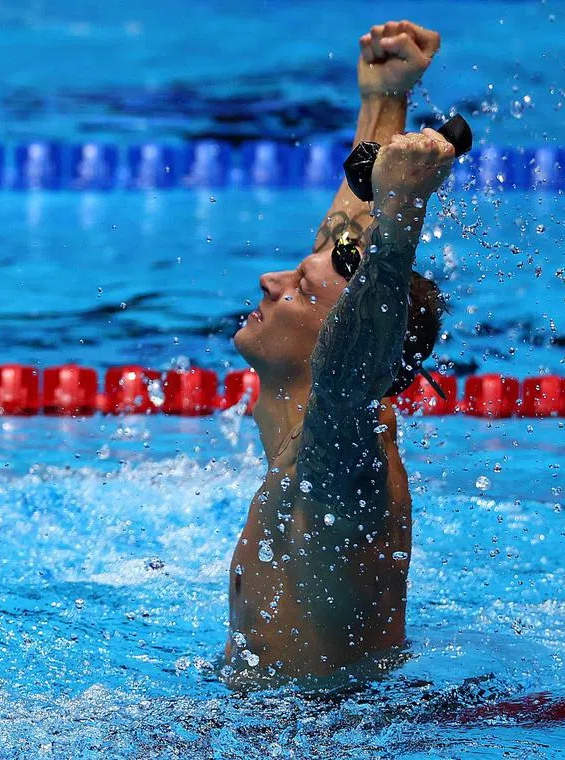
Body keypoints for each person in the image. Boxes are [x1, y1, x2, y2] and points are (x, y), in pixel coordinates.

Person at [224, 19, 452, 689]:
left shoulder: (344, 458)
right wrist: (383, 102)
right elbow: (342, 245)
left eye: (297, 290)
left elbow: (351, 365)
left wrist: (405, 211)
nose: (270, 282)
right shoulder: (310, 450)